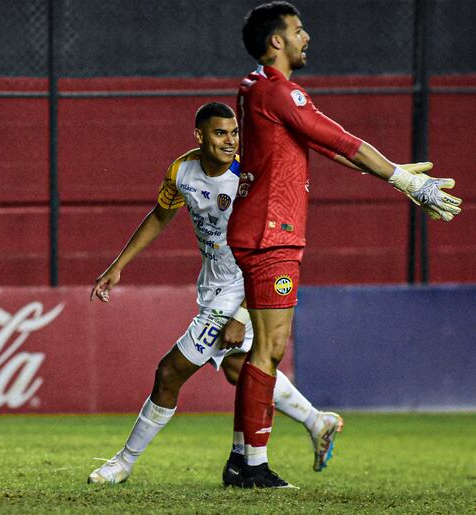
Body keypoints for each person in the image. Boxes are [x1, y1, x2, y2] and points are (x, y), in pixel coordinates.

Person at [226, 1, 462, 489]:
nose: (306, 36)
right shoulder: (279, 92)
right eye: (298, 30)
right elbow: (339, 137)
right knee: (268, 351)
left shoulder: (255, 88)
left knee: (258, 353)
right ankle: (252, 467)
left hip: (260, 230)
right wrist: (403, 180)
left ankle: (240, 459)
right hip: (274, 236)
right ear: (277, 41)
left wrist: (393, 175)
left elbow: (329, 148)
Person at [87, 102, 343, 486]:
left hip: (243, 286)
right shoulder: (181, 170)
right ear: (200, 136)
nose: (230, 141)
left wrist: (241, 313)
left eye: (234, 133)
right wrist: (119, 264)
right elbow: (160, 215)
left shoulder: (247, 178)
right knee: (241, 370)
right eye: (221, 133)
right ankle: (316, 421)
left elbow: (266, 246)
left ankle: (123, 463)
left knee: (169, 372)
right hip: (213, 285)